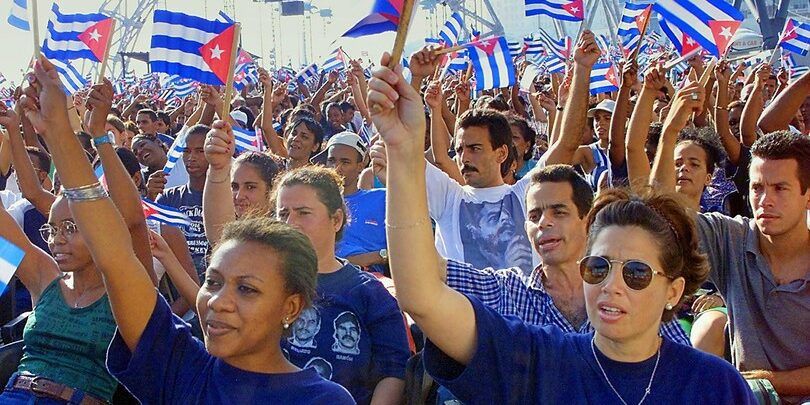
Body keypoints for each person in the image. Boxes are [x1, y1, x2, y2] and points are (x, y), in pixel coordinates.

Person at [366, 46, 755, 404]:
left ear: (672, 292)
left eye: (636, 273)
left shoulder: (713, 384)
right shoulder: (542, 359)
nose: (611, 285)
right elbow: (420, 294)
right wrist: (403, 148)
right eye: (598, 268)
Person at [21, 56, 354, 405]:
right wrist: (58, 132)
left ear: (290, 306)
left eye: (247, 289)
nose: (219, 301)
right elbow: (115, 256)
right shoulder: (181, 366)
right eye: (212, 282)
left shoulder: (323, 399)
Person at [0, 70, 153, 404]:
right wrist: (12, 129)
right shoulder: (45, 278)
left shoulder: (129, 291)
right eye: (52, 230)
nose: (57, 240)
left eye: (71, 228)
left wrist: (98, 135)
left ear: (100, 229)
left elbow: (135, 224)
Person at [695, 131, 810, 404]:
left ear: (808, 196)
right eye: (757, 187)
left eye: (780, 188)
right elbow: (660, 221)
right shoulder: (731, 238)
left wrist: (763, 380)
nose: (765, 200)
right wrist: (669, 134)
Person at [323, 132, 389, 275]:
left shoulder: (381, 198)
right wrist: (374, 256)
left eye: (345, 162)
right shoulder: (316, 203)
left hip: (373, 281)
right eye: (332, 160)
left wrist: (379, 257)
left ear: (360, 166)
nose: (336, 168)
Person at [154, 124, 212, 277]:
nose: (191, 158)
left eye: (200, 151)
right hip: (177, 283)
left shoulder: (228, 198)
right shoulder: (167, 197)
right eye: (186, 151)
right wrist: (149, 197)